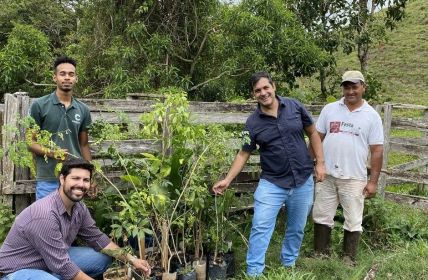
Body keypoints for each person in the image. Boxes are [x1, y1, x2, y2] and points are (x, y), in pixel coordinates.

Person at [212, 71, 326, 276]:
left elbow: (313, 133)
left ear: (274, 86)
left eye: (266, 87)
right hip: (272, 183)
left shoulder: (295, 106)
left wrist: (320, 164)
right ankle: (254, 272)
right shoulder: (252, 123)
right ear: (253, 94)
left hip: (302, 179)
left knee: (297, 228)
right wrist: (228, 180)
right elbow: (243, 153)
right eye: (258, 90)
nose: (263, 93)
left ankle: (288, 264)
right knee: (260, 227)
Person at [0, 158, 151, 280]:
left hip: (50, 262)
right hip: (18, 270)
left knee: (102, 258)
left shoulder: (79, 208)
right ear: (62, 179)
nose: (81, 184)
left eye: (86, 180)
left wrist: (132, 259)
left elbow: (97, 238)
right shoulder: (44, 214)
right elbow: (63, 265)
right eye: (75, 178)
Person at [312, 70, 384, 265]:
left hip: (354, 177)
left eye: (355, 86)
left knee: (353, 219)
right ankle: (321, 254)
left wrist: (373, 181)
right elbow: (317, 138)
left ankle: (348, 258)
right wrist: (314, 163)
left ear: (363, 87)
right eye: (347, 87)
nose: (351, 91)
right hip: (326, 175)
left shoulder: (371, 116)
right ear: (342, 88)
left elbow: (377, 150)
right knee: (321, 215)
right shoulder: (330, 109)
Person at [29, 56, 93, 200]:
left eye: (71, 74)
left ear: (76, 78)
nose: (67, 78)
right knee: (47, 218)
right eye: (62, 74)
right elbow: (30, 142)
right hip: (48, 176)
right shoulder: (39, 105)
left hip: (75, 177)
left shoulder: (83, 109)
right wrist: (52, 153)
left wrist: (89, 174)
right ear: (55, 77)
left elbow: (83, 144)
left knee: (73, 220)